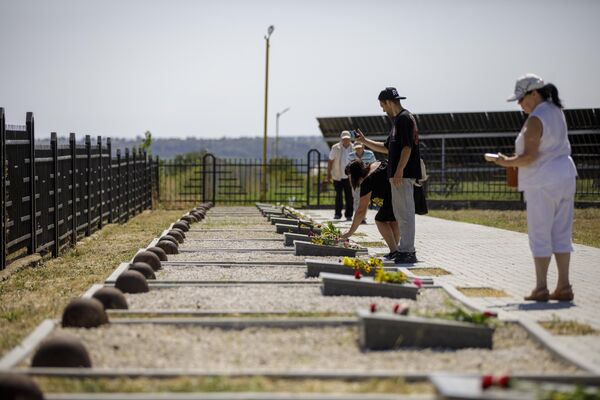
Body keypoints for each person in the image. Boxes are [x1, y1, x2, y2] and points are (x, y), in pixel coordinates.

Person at [487, 74, 577, 302]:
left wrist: (504, 161)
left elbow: (528, 157)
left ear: (534, 93)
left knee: (540, 233)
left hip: (542, 180)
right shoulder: (557, 111)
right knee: (561, 232)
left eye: (521, 98)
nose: (519, 104)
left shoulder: (536, 118)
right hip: (565, 175)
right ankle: (564, 285)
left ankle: (541, 287)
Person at [355, 87, 421, 264]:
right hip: (397, 175)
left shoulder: (405, 119)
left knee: (405, 214)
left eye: (382, 105)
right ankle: (402, 250)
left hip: (404, 175)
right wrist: (364, 141)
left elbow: (407, 147)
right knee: (400, 214)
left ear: (389, 102)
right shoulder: (397, 122)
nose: (382, 109)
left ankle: (408, 251)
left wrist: (399, 170)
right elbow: (386, 148)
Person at [341, 159, 399, 258]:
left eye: (350, 177)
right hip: (399, 192)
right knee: (392, 220)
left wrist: (350, 232)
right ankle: (396, 250)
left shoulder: (367, 180)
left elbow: (361, 210)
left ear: (355, 174)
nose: (350, 180)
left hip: (394, 196)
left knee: (380, 220)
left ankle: (394, 252)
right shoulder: (376, 163)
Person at [327, 130, 354, 220]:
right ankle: (337, 214)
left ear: (350, 139)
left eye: (347, 139)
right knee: (338, 195)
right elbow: (330, 161)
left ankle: (349, 215)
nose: (346, 140)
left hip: (350, 177)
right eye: (344, 139)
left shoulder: (354, 148)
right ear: (341, 139)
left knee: (349, 196)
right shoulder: (335, 147)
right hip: (338, 175)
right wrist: (328, 174)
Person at [348, 143, 376, 222]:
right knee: (356, 199)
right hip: (355, 180)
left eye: (360, 148)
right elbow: (349, 170)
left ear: (363, 147)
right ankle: (358, 217)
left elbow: (374, 166)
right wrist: (350, 181)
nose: (358, 150)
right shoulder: (350, 156)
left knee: (365, 199)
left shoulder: (370, 154)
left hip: (367, 179)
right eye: (356, 148)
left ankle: (362, 217)